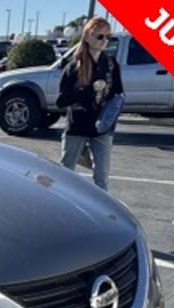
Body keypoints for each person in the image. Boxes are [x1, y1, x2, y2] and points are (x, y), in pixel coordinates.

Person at [56, 16, 124, 191]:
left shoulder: (110, 64)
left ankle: (100, 216)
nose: (104, 41)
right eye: (99, 36)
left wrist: (110, 121)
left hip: (102, 129)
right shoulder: (74, 66)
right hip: (77, 126)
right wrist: (89, 89)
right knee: (65, 174)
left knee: (101, 178)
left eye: (108, 37)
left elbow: (118, 94)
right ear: (87, 36)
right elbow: (62, 100)